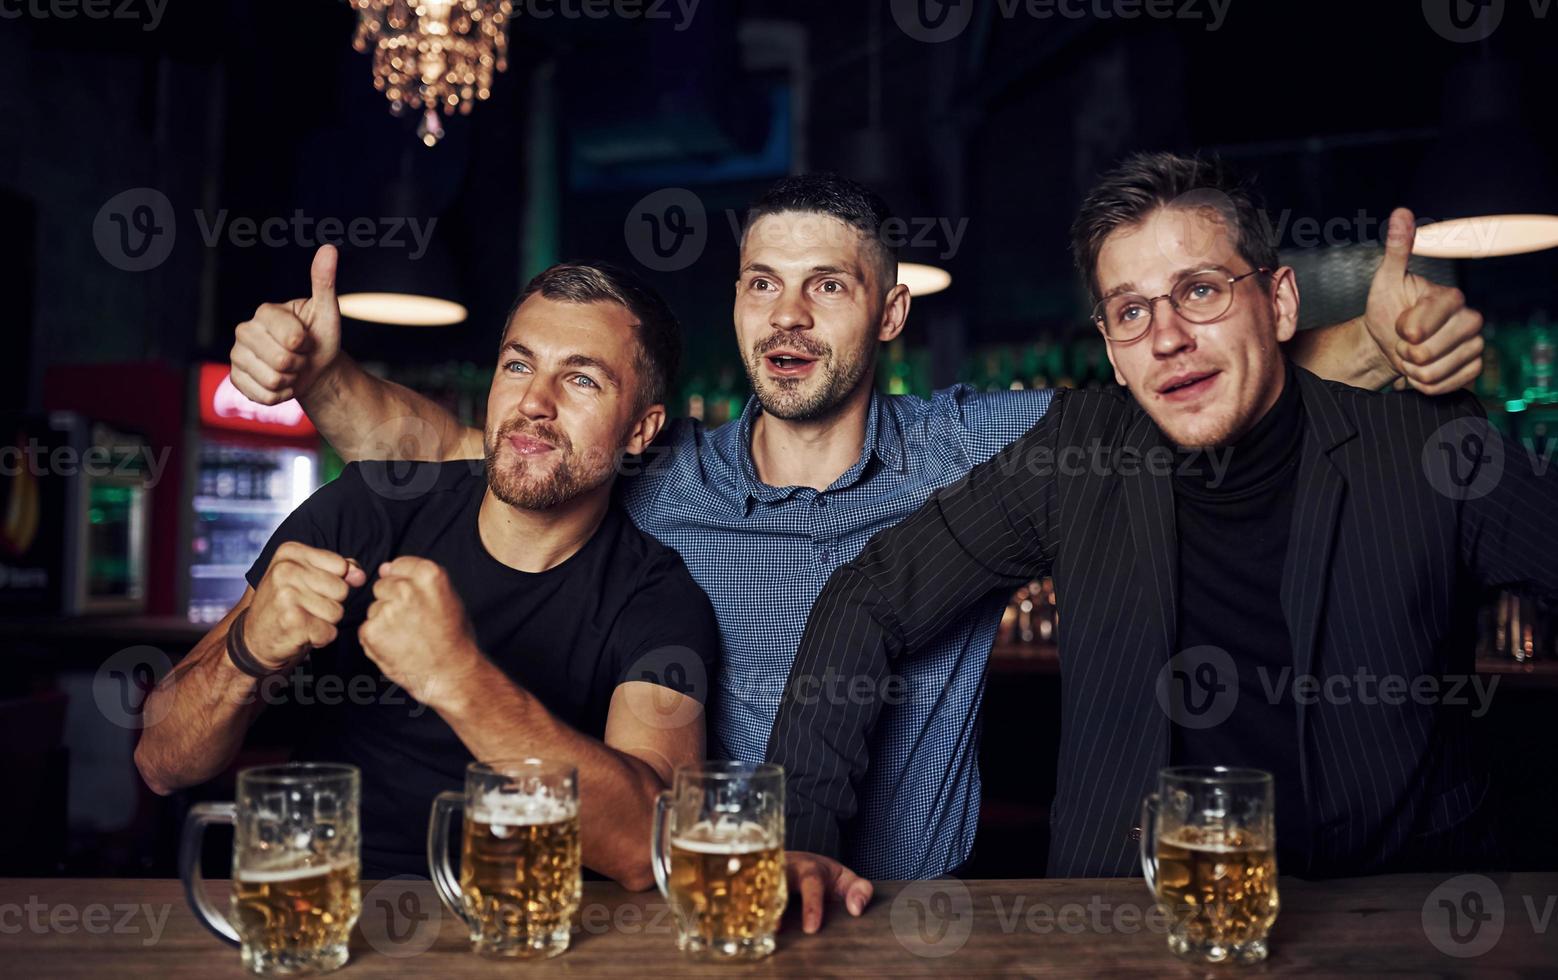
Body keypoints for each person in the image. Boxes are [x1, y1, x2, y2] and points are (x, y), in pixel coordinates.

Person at [225, 172, 1482, 911]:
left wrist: (1381, 340)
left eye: (827, 284)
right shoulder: (659, 466)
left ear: (887, 311)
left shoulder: (980, 446)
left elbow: (1202, 387)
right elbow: (463, 447)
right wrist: (320, 380)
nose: (787, 312)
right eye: (762, 281)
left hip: (900, 920)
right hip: (677, 903)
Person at [767, 152, 1557, 879]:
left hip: (1394, 924)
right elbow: (869, 597)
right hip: (1127, 926)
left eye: (1201, 291)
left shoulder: (1428, 449)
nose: (1169, 337)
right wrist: (799, 844)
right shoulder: (1077, 454)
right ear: (1112, 349)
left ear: (1280, 302)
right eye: (1132, 311)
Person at [135, 262, 723, 889]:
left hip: (525, 931)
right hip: (323, 909)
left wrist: (457, 677)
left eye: (580, 379)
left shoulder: (658, 597)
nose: (533, 403)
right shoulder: (368, 508)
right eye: (518, 365)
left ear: (641, 429)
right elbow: (161, 761)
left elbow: (648, 846)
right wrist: (246, 651)